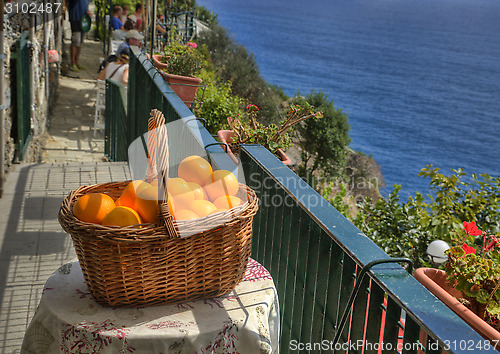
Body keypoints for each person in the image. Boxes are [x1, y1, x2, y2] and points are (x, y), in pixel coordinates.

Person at [68, 0, 89, 71]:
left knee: (80, 42)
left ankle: (76, 62)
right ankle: (72, 63)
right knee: (76, 40)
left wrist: (88, 12)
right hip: (75, 18)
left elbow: (86, 6)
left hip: (84, 20)